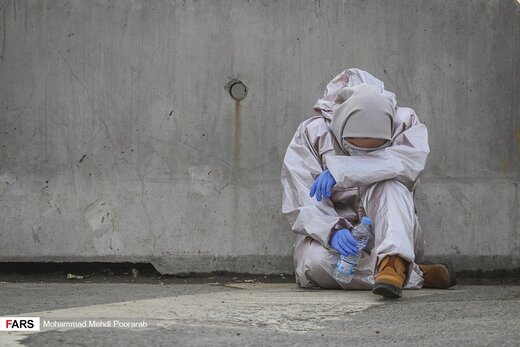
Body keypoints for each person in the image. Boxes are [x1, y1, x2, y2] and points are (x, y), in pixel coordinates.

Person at [280, 68, 456, 298]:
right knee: (313, 264)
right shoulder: (311, 134)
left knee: (391, 186)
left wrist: (342, 170)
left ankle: (393, 262)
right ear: (340, 127)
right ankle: (413, 273)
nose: (362, 155)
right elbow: (300, 196)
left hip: (393, 231)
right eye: (355, 147)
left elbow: (409, 163)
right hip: (334, 240)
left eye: (372, 149)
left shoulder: (404, 122)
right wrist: (331, 230)